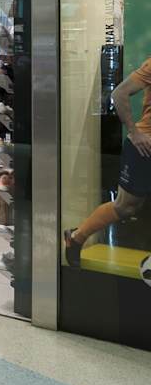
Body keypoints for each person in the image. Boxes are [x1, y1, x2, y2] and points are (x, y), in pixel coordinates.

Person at [65, 60, 151, 267]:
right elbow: (119, 93)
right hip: (145, 147)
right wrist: (134, 132)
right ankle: (76, 237)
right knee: (126, 207)